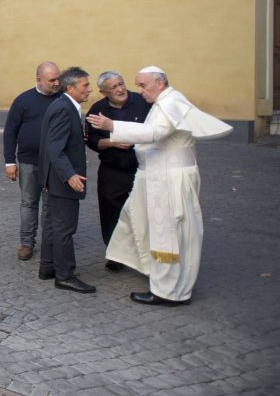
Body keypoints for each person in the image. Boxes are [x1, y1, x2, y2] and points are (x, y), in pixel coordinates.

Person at [87, 66, 231, 306]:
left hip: (167, 180)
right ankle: (157, 275)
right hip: (157, 177)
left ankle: (168, 291)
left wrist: (113, 127)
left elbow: (156, 132)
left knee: (168, 234)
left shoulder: (169, 103)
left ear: (160, 83)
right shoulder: (165, 101)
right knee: (134, 218)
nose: (138, 91)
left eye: (143, 85)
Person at [84, 71, 151, 271]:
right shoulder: (97, 110)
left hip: (141, 167)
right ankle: (115, 254)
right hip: (112, 169)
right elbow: (92, 140)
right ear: (104, 92)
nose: (120, 89)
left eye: (121, 84)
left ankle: (144, 254)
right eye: (113, 87)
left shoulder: (142, 102)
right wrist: (111, 142)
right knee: (111, 212)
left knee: (143, 211)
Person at [37, 67, 95, 293]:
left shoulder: (64, 105)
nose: (89, 90)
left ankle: (48, 266)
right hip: (62, 179)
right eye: (85, 85)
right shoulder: (64, 108)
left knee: (53, 224)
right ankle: (65, 275)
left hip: (56, 178)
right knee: (64, 227)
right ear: (70, 87)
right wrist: (70, 175)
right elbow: (55, 148)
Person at [3, 61, 61, 260]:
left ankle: (50, 243)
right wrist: (9, 161)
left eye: (58, 78)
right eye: (52, 80)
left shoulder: (62, 99)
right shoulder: (23, 100)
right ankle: (27, 243)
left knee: (50, 204)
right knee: (29, 203)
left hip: (55, 163)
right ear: (38, 79)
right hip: (28, 161)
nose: (56, 83)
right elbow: (10, 131)